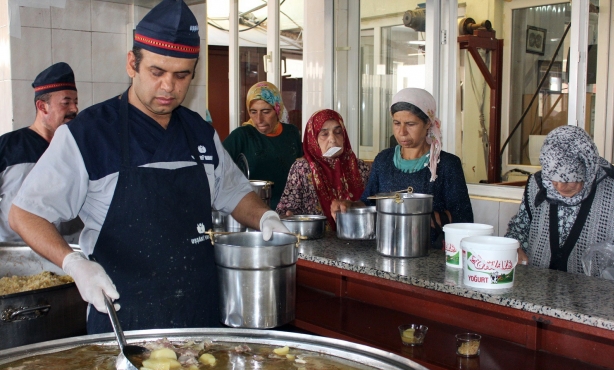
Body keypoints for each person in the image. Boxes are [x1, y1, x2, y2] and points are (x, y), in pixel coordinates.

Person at [8, 0, 288, 334]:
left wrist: (265, 217)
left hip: (199, 318)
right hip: (125, 322)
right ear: (132, 64)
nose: (169, 86)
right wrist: (74, 263)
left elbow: (233, 192)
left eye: (181, 75)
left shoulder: (200, 133)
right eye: (157, 72)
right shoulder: (87, 135)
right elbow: (25, 214)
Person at [331, 88, 473, 248]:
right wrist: (349, 206)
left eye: (411, 124)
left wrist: (414, 216)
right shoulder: (383, 160)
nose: (402, 132)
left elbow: (463, 218)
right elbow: (369, 203)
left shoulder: (446, 164)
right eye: (396, 123)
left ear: (428, 123)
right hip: (387, 248)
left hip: (430, 253)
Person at [505, 125, 614, 274]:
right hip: (539, 283)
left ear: (587, 170)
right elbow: (519, 229)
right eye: (553, 180)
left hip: (594, 288)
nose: (560, 187)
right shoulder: (538, 184)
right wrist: (514, 247)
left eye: (568, 180)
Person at [0, 62, 79, 242]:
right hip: (17, 251)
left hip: (68, 250)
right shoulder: (8, 146)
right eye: (66, 103)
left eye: (75, 102)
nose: (74, 109)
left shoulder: (79, 147)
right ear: (42, 107)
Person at [276, 109, 370, 230]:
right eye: (324, 134)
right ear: (313, 139)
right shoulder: (302, 168)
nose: (332, 139)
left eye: (338, 132)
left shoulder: (359, 167)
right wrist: (290, 216)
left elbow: (371, 204)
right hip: (316, 238)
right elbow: (286, 210)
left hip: (357, 236)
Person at [223, 81, 303, 209]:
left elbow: (301, 172)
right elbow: (218, 169)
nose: (259, 119)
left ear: (277, 110)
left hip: (289, 212)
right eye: (253, 112)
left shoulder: (291, 133)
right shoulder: (242, 136)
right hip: (253, 212)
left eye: (266, 112)